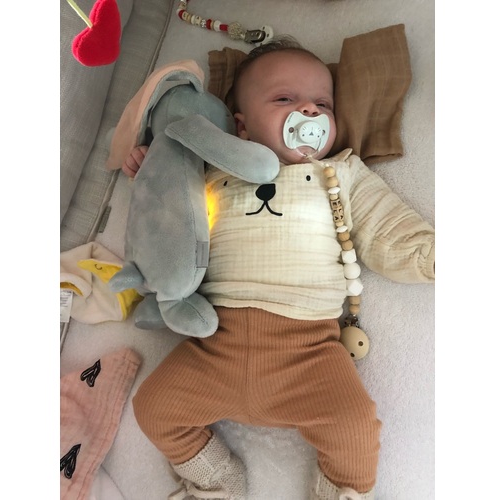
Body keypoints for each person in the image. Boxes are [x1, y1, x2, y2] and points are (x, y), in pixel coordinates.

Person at [126, 37, 435, 500]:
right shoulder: (211, 171)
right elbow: (170, 215)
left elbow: (386, 229)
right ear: (241, 126)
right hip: (214, 346)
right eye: (285, 99)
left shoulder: (339, 173)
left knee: (355, 427)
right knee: (153, 408)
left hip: (309, 354)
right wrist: (154, 168)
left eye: (323, 104)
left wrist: (431, 256)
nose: (308, 110)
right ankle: (216, 480)